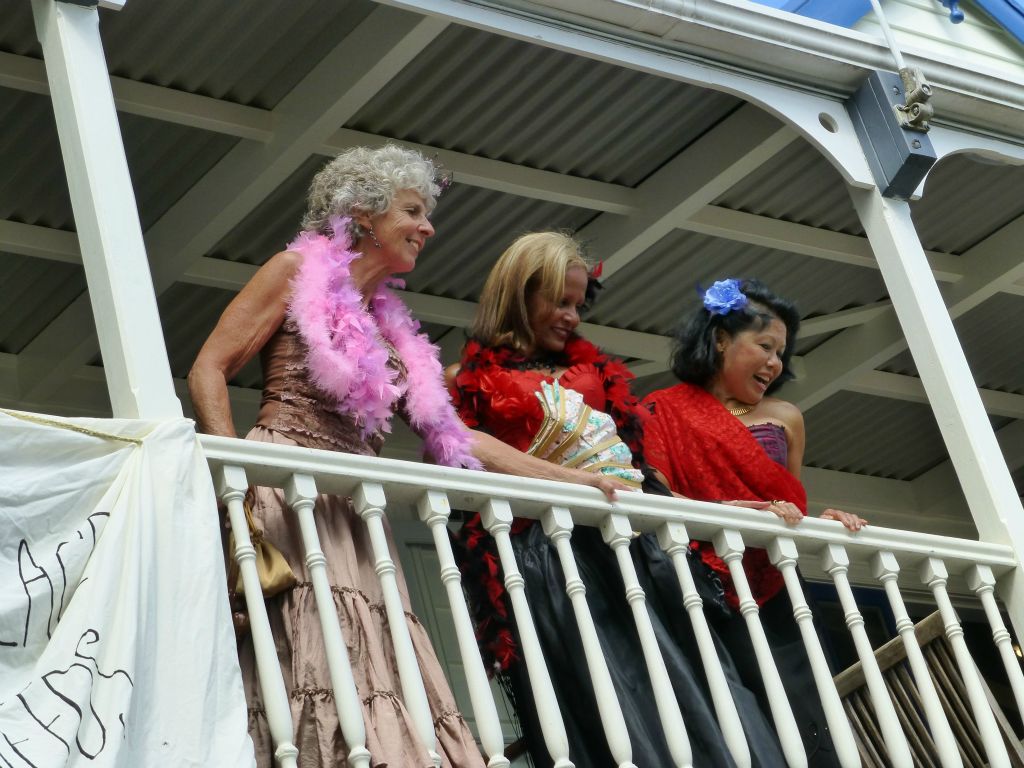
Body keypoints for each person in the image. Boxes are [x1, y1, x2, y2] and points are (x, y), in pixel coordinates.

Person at [188, 145, 487, 767]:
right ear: (363, 215)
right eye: (413, 210)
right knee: (304, 648)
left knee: (378, 653)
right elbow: (210, 368)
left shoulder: (390, 326)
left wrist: (571, 476)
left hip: (351, 508)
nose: (428, 227)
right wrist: (233, 482)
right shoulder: (293, 269)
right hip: (285, 480)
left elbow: (456, 435)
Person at [447, 234, 786, 768]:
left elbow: (636, 468)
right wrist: (571, 481)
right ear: (519, 293)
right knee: (611, 701)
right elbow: (461, 442)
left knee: (697, 687)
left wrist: (706, 511)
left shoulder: (593, 371)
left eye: (579, 304)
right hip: (553, 560)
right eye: (561, 301)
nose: (573, 317)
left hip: (635, 548)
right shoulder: (464, 382)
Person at [642, 277, 866, 767]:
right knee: (730, 714)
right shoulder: (662, 409)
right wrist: (722, 513)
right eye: (764, 346)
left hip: (776, 586)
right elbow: (654, 497)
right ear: (721, 339)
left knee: (808, 712)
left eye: (781, 353)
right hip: (699, 584)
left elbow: (788, 505)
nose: (775, 362)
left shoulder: (786, 416)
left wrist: (821, 521)